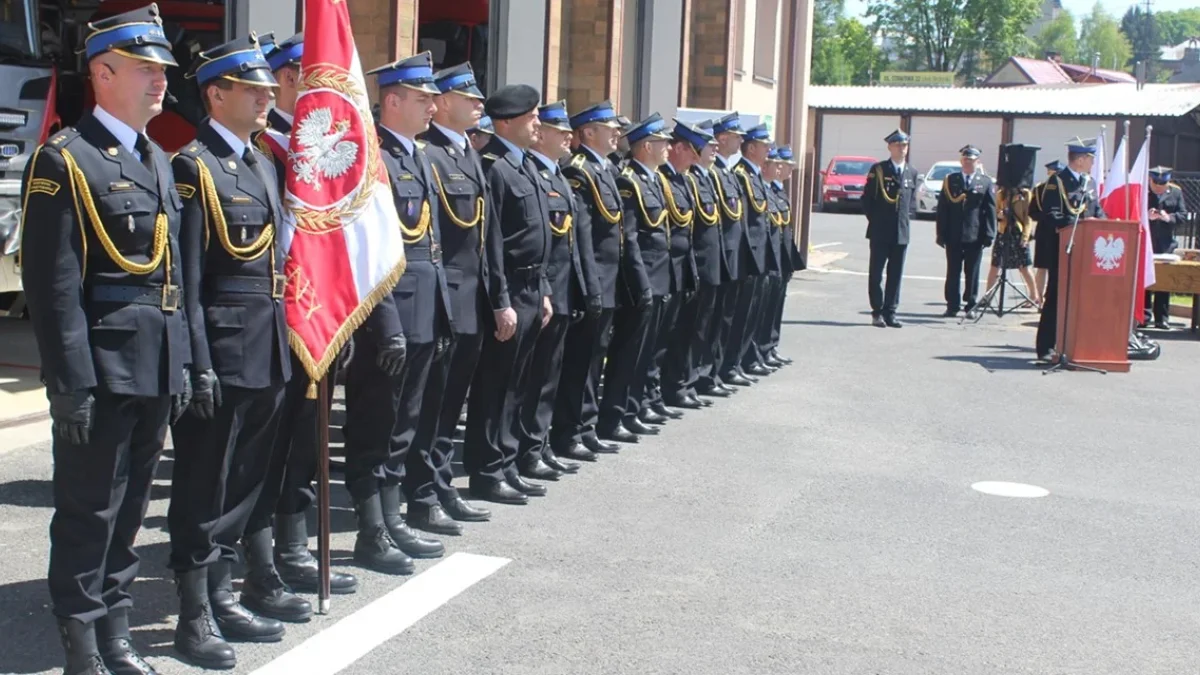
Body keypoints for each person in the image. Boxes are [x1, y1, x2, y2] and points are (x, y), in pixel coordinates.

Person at [20, 5, 191, 673]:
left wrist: (182, 365)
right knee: (89, 511)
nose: (160, 81)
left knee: (129, 512)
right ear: (103, 71)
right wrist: (69, 383)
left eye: (163, 71)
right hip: (101, 365)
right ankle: (83, 644)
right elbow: (54, 286)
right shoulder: (65, 159)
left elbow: (172, 276)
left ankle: (115, 631)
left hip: (154, 363)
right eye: (147, 69)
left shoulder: (157, 158)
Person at [166, 33, 304, 668]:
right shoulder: (192, 167)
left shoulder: (262, 163)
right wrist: (195, 362)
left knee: (248, 480)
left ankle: (225, 594)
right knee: (205, 483)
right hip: (220, 351)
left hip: (267, 346)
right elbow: (187, 278)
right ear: (216, 94)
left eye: (267, 89)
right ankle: (194, 616)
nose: (267, 96)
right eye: (253, 89)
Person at [247, 30, 361, 601]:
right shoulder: (264, 150)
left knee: (304, 447)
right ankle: (262, 560)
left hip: (320, 316)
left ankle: (295, 548)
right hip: (277, 319)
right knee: (268, 448)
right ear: (292, 79)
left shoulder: (321, 152)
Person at [343, 52, 451, 575]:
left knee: (404, 425)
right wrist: (386, 327)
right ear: (392, 100)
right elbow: (371, 254)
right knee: (375, 424)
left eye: (433, 96)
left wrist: (443, 316)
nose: (433, 104)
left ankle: (391, 519)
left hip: (425, 313)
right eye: (422, 97)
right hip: (388, 320)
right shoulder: (372, 157)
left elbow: (430, 246)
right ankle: (371, 529)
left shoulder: (419, 156)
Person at [411, 61, 497, 525]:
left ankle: (440, 484)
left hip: (472, 299)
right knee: (432, 405)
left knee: (451, 404)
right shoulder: (428, 155)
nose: (478, 105)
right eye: (469, 98)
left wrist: (496, 297)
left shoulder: (468, 155)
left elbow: (487, 237)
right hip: (443, 297)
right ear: (443, 103)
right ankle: (422, 494)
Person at [466, 83, 554, 502]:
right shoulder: (495, 167)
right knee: (496, 385)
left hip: (533, 287)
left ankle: (508, 460)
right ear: (506, 122)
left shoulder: (526, 166)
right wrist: (500, 301)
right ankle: (487, 470)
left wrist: (546, 291)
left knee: (518, 383)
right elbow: (494, 243)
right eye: (531, 117)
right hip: (511, 288)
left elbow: (543, 237)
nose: (538, 123)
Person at [516, 101, 601, 476]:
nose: (568, 136)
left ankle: (540, 442)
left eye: (569, 130)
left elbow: (573, 245)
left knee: (550, 377)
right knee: (533, 378)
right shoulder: (533, 172)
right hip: (543, 290)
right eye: (558, 130)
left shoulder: (558, 177)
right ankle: (527, 449)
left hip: (562, 291)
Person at [550, 100, 637, 457]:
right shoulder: (579, 171)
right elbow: (583, 237)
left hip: (609, 278)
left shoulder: (605, 169)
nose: (617, 133)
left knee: (594, 357)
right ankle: (570, 432)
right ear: (587, 133)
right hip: (594, 279)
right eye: (608, 127)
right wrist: (590, 286)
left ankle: (585, 426)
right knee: (580, 361)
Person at [602, 113, 672, 440]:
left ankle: (632, 409)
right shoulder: (629, 182)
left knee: (644, 353)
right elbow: (629, 237)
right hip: (640, 280)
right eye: (662, 143)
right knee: (627, 352)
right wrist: (641, 282)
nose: (668, 148)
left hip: (658, 277)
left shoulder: (654, 179)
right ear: (646, 146)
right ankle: (614, 416)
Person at [1030, 137, 1106, 362]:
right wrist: (1081, 224)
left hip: (1086, 252)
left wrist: (1105, 223)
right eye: (1091, 159)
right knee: (1055, 298)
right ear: (1080, 160)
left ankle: (1079, 345)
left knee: (1083, 299)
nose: (1093, 163)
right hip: (1062, 251)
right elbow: (1052, 215)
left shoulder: (1089, 183)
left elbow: (1098, 211)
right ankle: (1046, 347)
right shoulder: (1057, 182)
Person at [658, 119, 708, 411]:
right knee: (660, 339)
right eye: (691, 151)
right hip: (664, 270)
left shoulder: (681, 179)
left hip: (681, 268)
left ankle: (674, 387)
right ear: (678, 148)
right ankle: (658, 393)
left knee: (677, 334)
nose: (694, 159)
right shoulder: (662, 179)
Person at [688, 121, 734, 398]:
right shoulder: (692, 178)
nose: (715, 147)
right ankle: (688, 380)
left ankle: (703, 376)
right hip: (699, 265)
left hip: (714, 263)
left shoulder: (707, 177)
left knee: (708, 326)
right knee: (694, 329)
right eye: (709, 144)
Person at [710, 112, 753, 387]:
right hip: (721, 255)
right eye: (736, 137)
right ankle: (710, 373)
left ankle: (717, 370)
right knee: (715, 320)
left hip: (733, 254)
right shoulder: (715, 172)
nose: (740, 141)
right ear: (723, 138)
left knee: (725, 318)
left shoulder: (727, 171)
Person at [862, 129, 918, 328]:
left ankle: (890, 311)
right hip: (880, 230)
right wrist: (877, 221)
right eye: (898, 145)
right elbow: (867, 200)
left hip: (901, 232)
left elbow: (911, 203)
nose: (902, 149)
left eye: (904, 145)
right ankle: (877, 311)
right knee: (876, 274)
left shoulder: (912, 172)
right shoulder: (878, 170)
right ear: (890, 147)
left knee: (895, 274)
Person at [733, 124, 778, 372]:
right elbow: (744, 220)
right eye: (764, 145)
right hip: (749, 253)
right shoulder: (741, 174)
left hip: (760, 252)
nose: (769, 149)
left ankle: (747, 359)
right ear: (751, 148)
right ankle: (738, 362)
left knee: (753, 312)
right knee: (742, 313)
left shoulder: (755, 174)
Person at [935, 145, 996, 317]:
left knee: (972, 272)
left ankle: (970, 304)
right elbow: (943, 210)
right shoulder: (950, 180)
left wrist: (990, 234)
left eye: (971, 160)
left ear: (978, 162)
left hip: (974, 235)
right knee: (953, 271)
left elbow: (990, 210)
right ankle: (952, 305)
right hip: (953, 234)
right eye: (965, 160)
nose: (968, 163)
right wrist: (941, 233)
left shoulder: (984, 182)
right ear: (961, 161)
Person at [767, 145, 800, 365]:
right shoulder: (769, 190)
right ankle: (763, 348)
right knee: (766, 309)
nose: (786, 170)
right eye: (782, 165)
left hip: (782, 256)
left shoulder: (778, 190)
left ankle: (770, 346)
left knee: (775, 308)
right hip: (772, 256)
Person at [1144, 166, 1184, 329]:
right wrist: (1146, 215)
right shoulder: (1143, 190)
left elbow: (1182, 215)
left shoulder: (1176, 192)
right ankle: (1144, 316)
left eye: (1163, 184)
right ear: (1150, 180)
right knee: (1146, 280)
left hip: (1166, 244)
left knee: (1164, 280)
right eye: (1156, 184)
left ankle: (1162, 318)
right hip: (1147, 242)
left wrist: (1168, 217)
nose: (1159, 188)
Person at [1033, 159, 1065, 300]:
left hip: (1052, 230)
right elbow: (1031, 211)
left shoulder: (1043, 189)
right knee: (1042, 267)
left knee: (1049, 268)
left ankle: (1044, 297)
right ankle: (1038, 297)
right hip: (1047, 231)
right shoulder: (1040, 189)